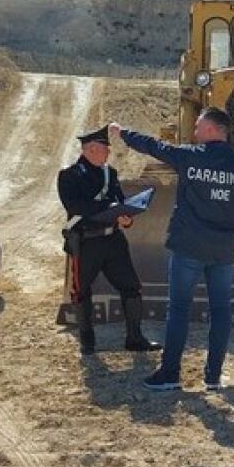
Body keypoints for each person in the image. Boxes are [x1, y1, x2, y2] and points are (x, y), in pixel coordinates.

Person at [109, 108, 234, 391]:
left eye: (200, 127)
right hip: (223, 250)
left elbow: (156, 147)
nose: (195, 132)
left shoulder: (190, 157)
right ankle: (213, 377)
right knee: (220, 311)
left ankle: (170, 373)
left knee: (178, 309)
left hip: (189, 247)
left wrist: (123, 134)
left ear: (214, 130)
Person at [57, 125, 161, 355]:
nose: (108, 153)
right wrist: (109, 207)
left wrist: (126, 218)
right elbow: (76, 206)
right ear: (91, 149)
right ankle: (87, 342)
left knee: (131, 287)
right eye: (105, 149)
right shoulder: (69, 176)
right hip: (86, 243)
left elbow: (120, 201)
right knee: (82, 291)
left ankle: (135, 338)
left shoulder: (110, 173)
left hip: (113, 240)